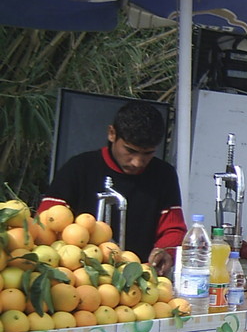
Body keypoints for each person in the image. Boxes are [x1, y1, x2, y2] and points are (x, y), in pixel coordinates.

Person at [38, 100, 185, 276]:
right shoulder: (78, 168)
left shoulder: (164, 175)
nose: (137, 162)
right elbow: (46, 222)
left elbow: (173, 229)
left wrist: (166, 251)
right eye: (130, 151)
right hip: (79, 279)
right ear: (112, 133)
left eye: (148, 153)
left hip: (139, 281)